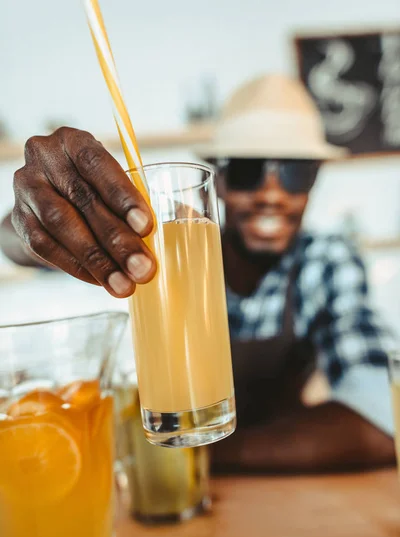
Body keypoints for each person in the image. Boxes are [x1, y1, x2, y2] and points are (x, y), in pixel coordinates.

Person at [1, 74, 395, 472]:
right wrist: (34, 219)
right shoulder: (157, 244)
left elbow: (383, 412)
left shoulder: (323, 260)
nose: (272, 194)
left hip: (249, 490)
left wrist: (190, 454)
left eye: (296, 172)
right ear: (218, 179)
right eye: (247, 170)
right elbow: (18, 247)